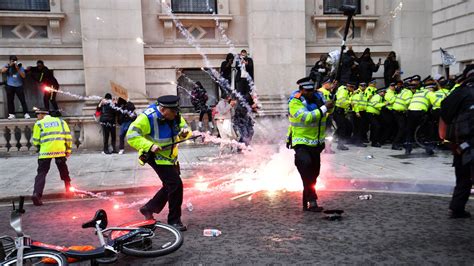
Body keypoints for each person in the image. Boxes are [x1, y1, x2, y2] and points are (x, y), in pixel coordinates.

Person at [127, 95, 192, 231]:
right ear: (162, 110)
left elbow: (184, 128)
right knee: (176, 185)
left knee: (170, 185)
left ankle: (148, 208)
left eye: (176, 111)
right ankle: (174, 221)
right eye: (172, 111)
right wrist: (150, 146)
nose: (176, 114)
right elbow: (131, 136)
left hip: (170, 156)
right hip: (154, 156)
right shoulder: (147, 117)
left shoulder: (175, 115)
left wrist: (185, 133)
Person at [287, 77, 334, 212]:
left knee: (314, 173)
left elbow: (329, 111)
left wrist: (331, 103)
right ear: (301, 90)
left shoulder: (319, 97)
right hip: (301, 142)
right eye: (307, 90)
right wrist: (325, 107)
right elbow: (307, 117)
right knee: (306, 166)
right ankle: (312, 200)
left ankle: (307, 199)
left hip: (317, 143)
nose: (310, 93)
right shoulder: (294, 102)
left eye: (312, 90)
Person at [439, 65, 474, 218]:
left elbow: (445, 110)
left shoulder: (460, 91)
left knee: (463, 177)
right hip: (469, 142)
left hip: (461, 143)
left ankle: (456, 208)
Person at [31, 108, 73, 206]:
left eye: (37, 114)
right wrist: (68, 150)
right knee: (63, 169)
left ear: (42, 114)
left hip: (45, 152)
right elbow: (68, 137)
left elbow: (35, 141)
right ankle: (68, 189)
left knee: (41, 173)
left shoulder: (39, 124)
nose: (37, 117)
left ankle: (36, 194)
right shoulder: (61, 122)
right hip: (59, 150)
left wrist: (40, 146)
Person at [405, 78, 433, 155]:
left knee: (410, 131)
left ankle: (408, 149)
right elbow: (435, 102)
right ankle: (428, 149)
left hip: (411, 111)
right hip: (420, 112)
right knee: (424, 130)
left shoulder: (417, 93)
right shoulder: (429, 92)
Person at [1, 55, 29, 119]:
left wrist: (18, 69)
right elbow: (2, 71)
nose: (14, 62)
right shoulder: (8, 66)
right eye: (12, 60)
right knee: (10, 100)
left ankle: (26, 113)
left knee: (22, 100)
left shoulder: (20, 66)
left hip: (19, 86)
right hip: (10, 85)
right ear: (10, 60)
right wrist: (9, 65)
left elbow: (23, 76)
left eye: (15, 60)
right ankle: (11, 114)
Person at [391, 78, 414, 150]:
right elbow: (407, 102)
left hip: (396, 110)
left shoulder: (403, 91)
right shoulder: (409, 92)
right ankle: (395, 144)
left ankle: (401, 143)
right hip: (399, 112)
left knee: (402, 128)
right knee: (402, 128)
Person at [333, 82, 355, 150]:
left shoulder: (346, 91)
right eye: (353, 88)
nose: (353, 89)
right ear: (349, 87)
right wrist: (350, 102)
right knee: (342, 127)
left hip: (341, 112)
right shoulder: (343, 91)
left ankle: (336, 138)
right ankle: (340, 144)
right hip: (338, 112)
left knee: (348, 126)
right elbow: (341, 101)